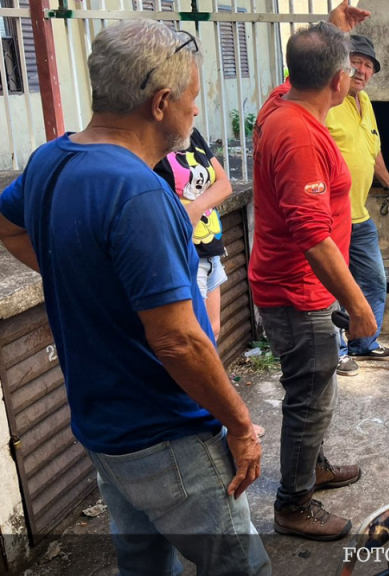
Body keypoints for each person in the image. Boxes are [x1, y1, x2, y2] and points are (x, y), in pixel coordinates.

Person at [0, 20, 268, 576]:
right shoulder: (140, 192)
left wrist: (82, 278)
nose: (197, 111)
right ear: (161, 103)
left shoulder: (51, 159)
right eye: (192, 98)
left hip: (102, 429)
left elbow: (8, 225)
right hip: (166, 434)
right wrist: (241, 426)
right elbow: (178, 343)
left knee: (145, 567)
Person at [248, 1, 377, 541]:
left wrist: (335, 30)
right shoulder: (299, 134)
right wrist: (358, 304)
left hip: (294, 286)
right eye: (348, 68)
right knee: (310, 396)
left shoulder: (282, 102)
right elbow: (313, 235)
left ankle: (312, 466)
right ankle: (294, 504)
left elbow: (308, 67)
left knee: (314, 389)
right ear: (338, 80)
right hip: (297, 292)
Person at [325, 34, 389, 376]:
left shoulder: (365, 101)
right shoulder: (328, 102)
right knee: (330, 288)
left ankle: (363, 342)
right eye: (355, 63)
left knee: (374, 280)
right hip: (329, 218)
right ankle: (335, 352)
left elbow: (372, 150)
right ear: (340, 66)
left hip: (359, 216)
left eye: (368, 65)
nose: (362, 71)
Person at [154, 128, 231, 340]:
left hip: (210, 248)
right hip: (183, 252)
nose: (195, 112)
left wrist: (195, 209)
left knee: (213, 330)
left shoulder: (192, 134)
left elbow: (224, 184)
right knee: (197, 337)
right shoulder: (149, 140)